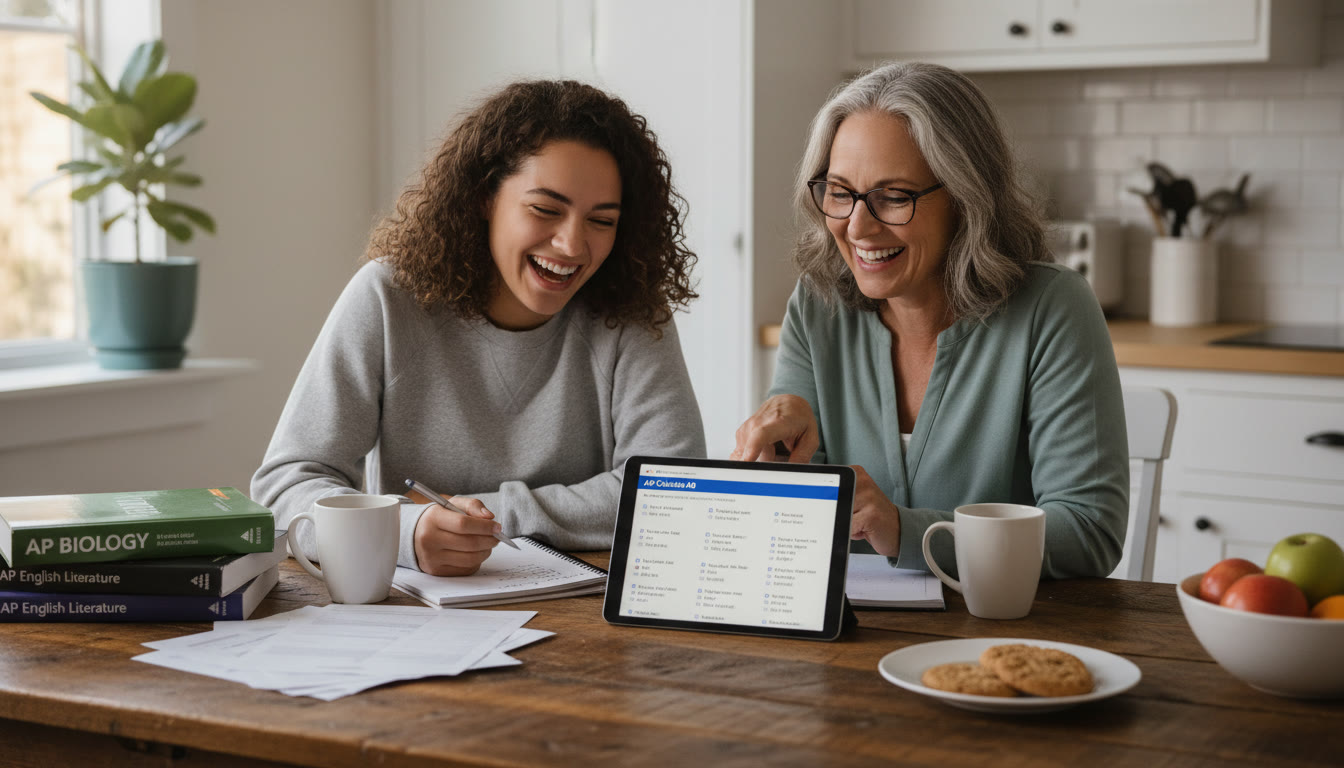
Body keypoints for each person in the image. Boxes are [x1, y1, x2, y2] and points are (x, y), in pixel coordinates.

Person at [253, 80, 706, 576]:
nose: (573, 245)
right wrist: (407, 531)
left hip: (589, 613)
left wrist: (490, 515)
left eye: (602, 220)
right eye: (545, 210)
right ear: (484, 197)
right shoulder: (387, 298)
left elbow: (672, 491)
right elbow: (287, 484)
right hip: (414, 617)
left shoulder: (631, 314)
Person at [732, 62, 1128, 579]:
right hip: (849, 638)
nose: (857, 227)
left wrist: (907, 531)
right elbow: (801, 516)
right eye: (839, 191)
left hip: (999, 638)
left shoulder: (1051, 308)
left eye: (893, 196)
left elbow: (1089, 531)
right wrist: (778, 467)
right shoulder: (818, 304)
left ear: (967, 199)